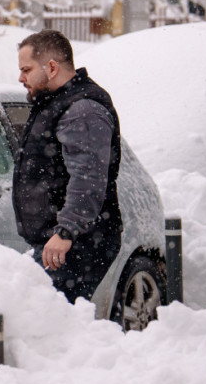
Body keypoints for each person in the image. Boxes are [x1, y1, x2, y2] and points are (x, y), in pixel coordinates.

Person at [13, 29, 123, 304]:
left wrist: (67, 231)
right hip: (62, 242)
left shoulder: (82, 109)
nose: (20, 78)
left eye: (26, 69)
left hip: (77, 243)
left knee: (50, 328)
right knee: (50, 328)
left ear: (51, 67)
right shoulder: (55, 103)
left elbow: (88, 178)